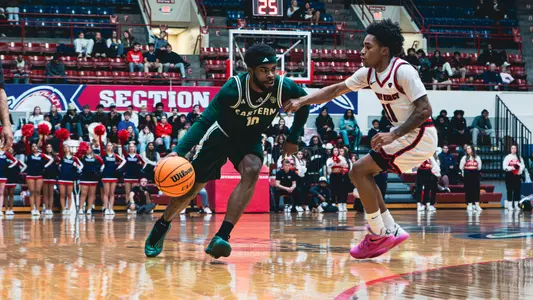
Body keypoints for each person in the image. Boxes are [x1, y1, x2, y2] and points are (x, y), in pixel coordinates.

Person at [284, 19, 437, 259]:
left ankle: (379, 232)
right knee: (362, 173)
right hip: (406, 134)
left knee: (358, 171)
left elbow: (424, 110)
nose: (361, 51)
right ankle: (390, 229)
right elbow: (335, 90)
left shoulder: (403, 71)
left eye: (368, 47)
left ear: (384, 50)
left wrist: (393, 134)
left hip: (420, 134)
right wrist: (302, 101)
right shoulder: (368, 74)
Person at [144, 43, 310, 259]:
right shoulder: (233, 89)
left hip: (249, 140)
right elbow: (204, 121)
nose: (271, 75)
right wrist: (179, 151)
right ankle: (162, 224)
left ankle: (222, 236)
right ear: (250, 71)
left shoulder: (283, 86)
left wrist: (293, 137)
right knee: (192, 189)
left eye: (273, 69)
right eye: (264, 70)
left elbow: (305, 102)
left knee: (252, 169)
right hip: (220, 136)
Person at [25, 143, 53, 216]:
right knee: (32, 192)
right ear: (31, 148)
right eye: (33, 146)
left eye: (35, 146)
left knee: (38, 192)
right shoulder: (29, 154)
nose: (34, 147)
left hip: (39, 175)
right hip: (30, 175)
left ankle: (37, 209)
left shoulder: (41, 155)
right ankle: (32, 209)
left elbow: (51, 159)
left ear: (38, 147)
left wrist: (45, 166)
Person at [78, 145, 104, 215]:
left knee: (91, 194)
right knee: (83, 194)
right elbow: (77, 163)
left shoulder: (96, 157)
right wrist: (79, 170)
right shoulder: (82, 156)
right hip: (84, 177)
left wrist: (99, 171)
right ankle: (80, 209)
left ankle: (89, 209)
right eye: (86, 148)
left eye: (88, 148)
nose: (87, 149)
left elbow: (103, 164)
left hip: (93, 178)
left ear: (92, 149)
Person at [57, 144, 83, 215]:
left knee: (69, 194)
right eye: (64, 147)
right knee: (62, 194)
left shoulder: (74, 158)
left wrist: (76, 169)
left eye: (67, 147)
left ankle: (68, 209)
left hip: (70, 178)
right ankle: (63, 209)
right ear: (63, 149)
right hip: (62, 178)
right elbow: (59, 165)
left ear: (69, 148)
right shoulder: (61, 157)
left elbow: (81, 166)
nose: (66, 148)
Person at [101, 143, 126, 215]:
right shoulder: (104, 155)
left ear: (113, 147)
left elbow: (124, 161)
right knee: (106, 193)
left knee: (112, 193)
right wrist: (102, 168)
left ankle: (111, 208)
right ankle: (106, 208)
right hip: (105, 175)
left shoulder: (115, 155)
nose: (109, 147)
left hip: (113, 175)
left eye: (110, 145)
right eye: (108, 145)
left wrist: (118, 168)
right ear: (106, 147)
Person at [121, 143, 145, 208]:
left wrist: (140, 168)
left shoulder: (138, 156)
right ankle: (128, 207)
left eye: (133, 147)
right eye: (130, 147)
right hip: (127, 176)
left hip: (135, 177)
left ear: (135, 148)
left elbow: (144, 163)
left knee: (133, 193)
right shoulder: (126, 155)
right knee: (127, 193)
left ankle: (134, 207)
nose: (131, 148)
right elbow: (123, 150)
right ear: (128, 148)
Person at [460, 145, 482, 211]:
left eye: (469, 148)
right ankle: (469, 204)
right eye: (467, 149)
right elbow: (461, 167)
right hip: (467, 174)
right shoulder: (464, 158)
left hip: (475, 173)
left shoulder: (477, 157)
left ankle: (477, 204)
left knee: (476, 189)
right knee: (468, 189)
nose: (468, 149)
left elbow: (479, 167)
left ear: (472, 149)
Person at [326, 147, 349, 212]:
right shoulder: (330, 159)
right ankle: (333, 204)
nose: (336, 151)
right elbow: (328, 166)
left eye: (337, 150)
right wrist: (333, 163)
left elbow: (346, 165)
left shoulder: (341, 158)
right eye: (334, 150)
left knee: (340, 190)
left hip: (340, 175)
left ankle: (340, 204)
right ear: (332, 151)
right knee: (333, 189)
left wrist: (340, 164)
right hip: (333, 175)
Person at [503, 144, 524, 211]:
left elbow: (523, 166)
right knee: (509, 190)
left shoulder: (519, 157)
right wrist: (512, 168)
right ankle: (509, 206)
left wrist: (519, 170)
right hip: (509, 176)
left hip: (517, 176)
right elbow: (504, 167)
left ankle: (516, 205)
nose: (513, 149)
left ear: (516, 149)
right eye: (512, 148)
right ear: (510, 149)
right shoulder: (507, 157)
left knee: (517, 191)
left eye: (515, 148)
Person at [5, 147, 25, 215]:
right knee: (5, 194)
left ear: (13, 152)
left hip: (13, 178)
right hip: (5, 177)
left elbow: (24, 166)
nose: (10, 150)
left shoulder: (16, 159)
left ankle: (11, 209)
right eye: (9, 149)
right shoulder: (4, 159)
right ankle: (6, 209)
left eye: (11, 149)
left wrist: (19, 173)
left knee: (11, 194)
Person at [0, 149, 20, 215]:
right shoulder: (5, 154)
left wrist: (10, 166)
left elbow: (16, 161)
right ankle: (5, 209)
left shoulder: (7, 155)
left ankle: (7, 209)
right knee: (4, 193)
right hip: (4, 175)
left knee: (7, 193)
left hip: (8, 176)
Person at [42, 144, 59, 216]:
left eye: (50, 147)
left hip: (52, 176)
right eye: (47, 147)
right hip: (45, 176)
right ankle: (46, 208)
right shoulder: (44, 156)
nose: (49, 148)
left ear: (52, 148)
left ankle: (50, 209)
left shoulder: (56, 157)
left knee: (51, 194)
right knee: (45, 194)